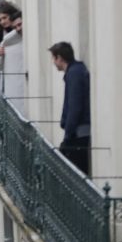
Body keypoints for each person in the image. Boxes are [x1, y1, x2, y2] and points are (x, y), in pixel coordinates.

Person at [50, 41, 91, 175]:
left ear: (59, 58)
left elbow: (74, 106)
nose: (53, 62)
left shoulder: (74, 74)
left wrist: (68, 136)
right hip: (79, 132)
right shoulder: (76, 71)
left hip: (79, 134)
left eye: (53, 58)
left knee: (76, 174)